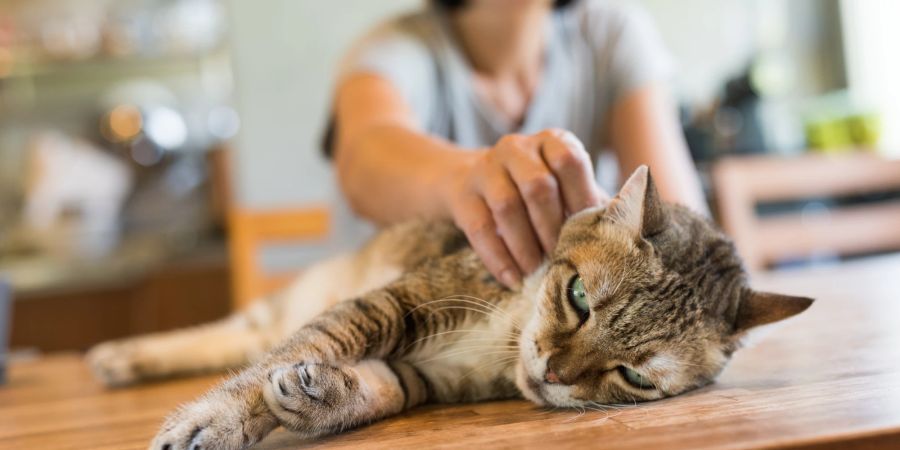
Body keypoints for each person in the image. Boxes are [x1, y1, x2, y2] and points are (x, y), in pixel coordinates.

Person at [325, 0, 706, 289]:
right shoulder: (393, 49)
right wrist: (468, 179)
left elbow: (681, 233)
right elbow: (363, 158)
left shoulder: (611, 32)